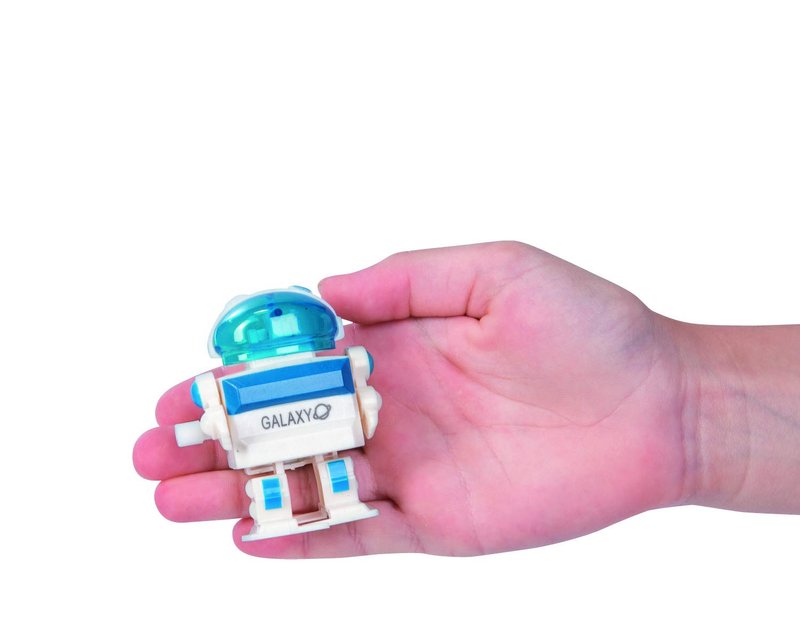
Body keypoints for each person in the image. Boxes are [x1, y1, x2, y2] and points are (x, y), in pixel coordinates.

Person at [132, 241, 800, 557]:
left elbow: (353, 392)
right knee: (285, 483)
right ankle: (285, 505)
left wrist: (682, 400)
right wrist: (684, 402)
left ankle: (315, 499)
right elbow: (213, 416)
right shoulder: (251, 384)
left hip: (323, 436)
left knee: (331, 477)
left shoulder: (326, 367)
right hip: (289, 439)